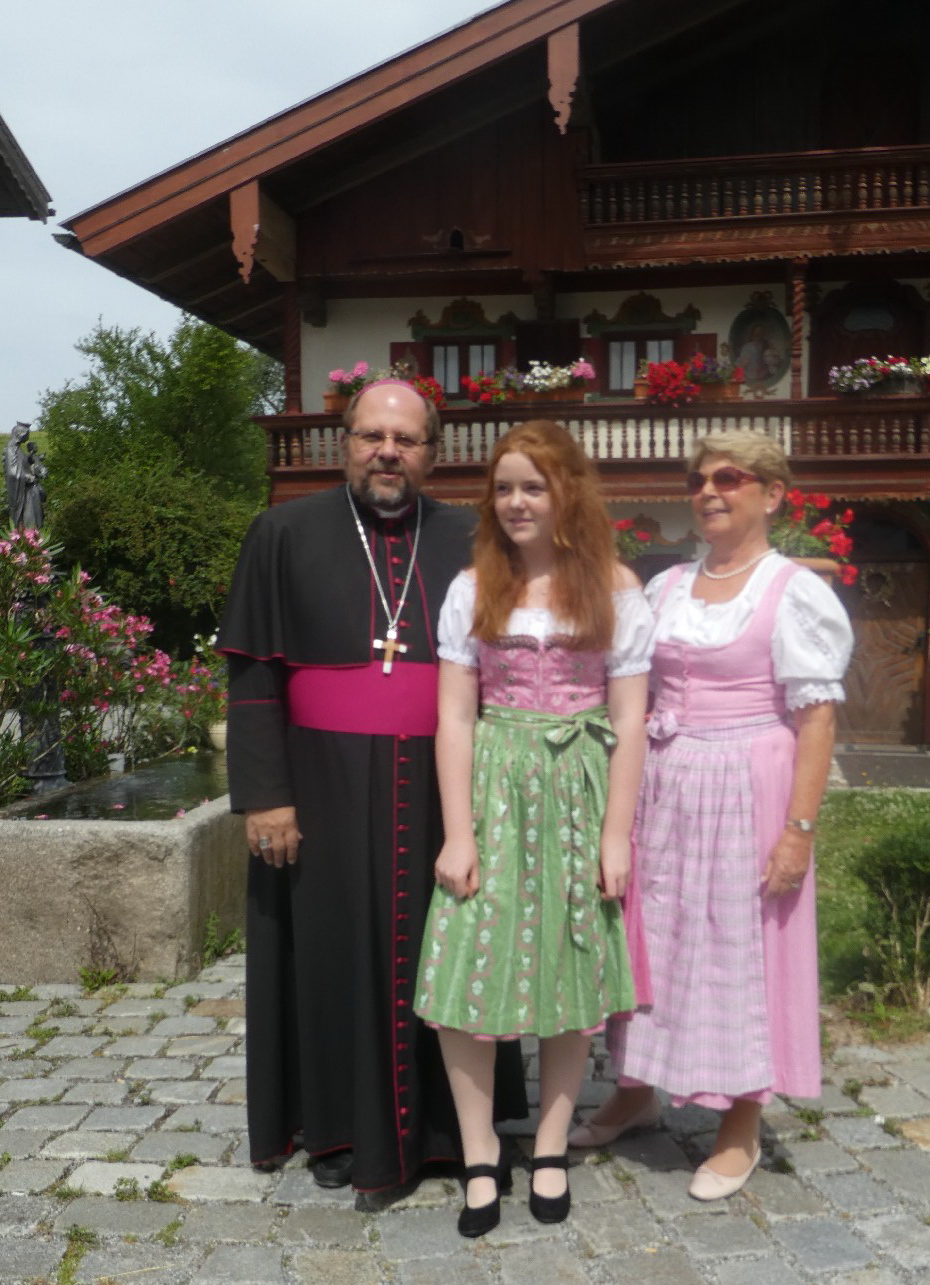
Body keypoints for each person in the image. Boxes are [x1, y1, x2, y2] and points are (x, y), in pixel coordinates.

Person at [216, 379, 525, 1203]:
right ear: (344, 441)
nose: (388, 452)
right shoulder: (282, 532)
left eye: (407, 440)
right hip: (319, 785)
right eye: (372, 436)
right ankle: (337, 1127)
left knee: (449, 948)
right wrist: (265, 795)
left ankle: (450, 1132)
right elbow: (252, 674)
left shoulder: (471, 537)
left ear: (433, 453)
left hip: (445, 785)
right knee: (329, 954)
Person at [571, 430, 854, 1200]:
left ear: (773, 494)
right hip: (665, 783)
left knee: (739, 944)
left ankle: (741, 1121)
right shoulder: (667, 587)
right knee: (652, 938)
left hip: (748, 784)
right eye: (698, 480)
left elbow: (817, 719)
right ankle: (636, 1090)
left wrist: (798, 831)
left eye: (729, 478)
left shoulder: (793, 590)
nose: (708, 492)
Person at [414, 421, 653, 1235]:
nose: (517, 502)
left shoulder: (615, 587)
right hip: (494, 785)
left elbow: (630, 716)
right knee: (465, 967)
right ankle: (480, 1152)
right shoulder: (473, 586)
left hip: (579, 787)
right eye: (505, 487)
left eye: (534, 486)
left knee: (570, 965)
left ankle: (550, 1147)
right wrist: (458, 833)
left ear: (568, 493)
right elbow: (454, 717)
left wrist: (616, 835)